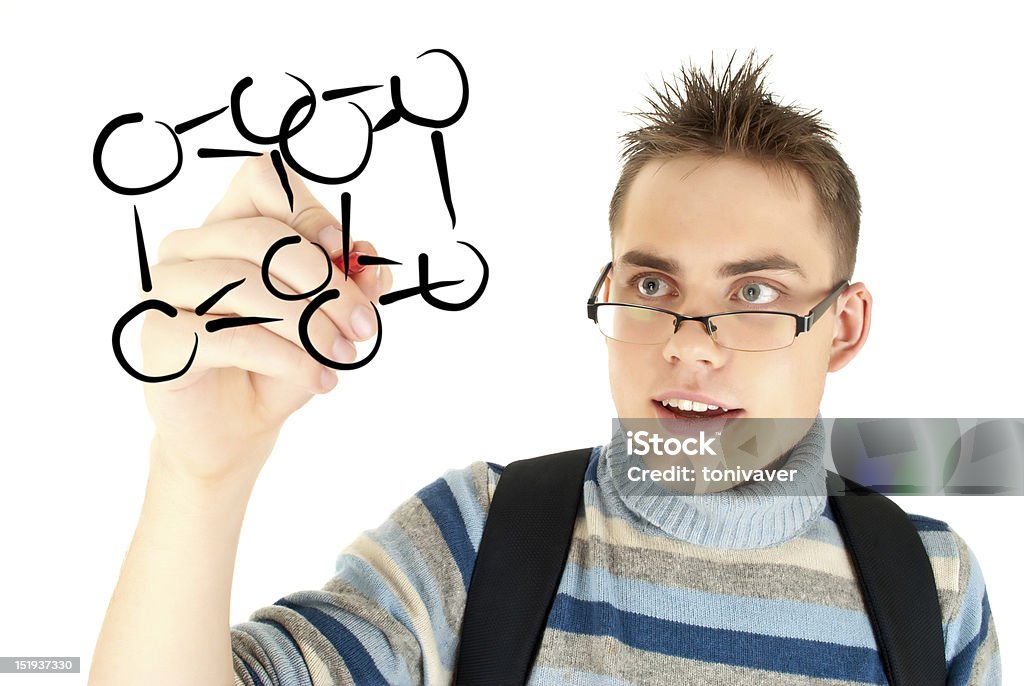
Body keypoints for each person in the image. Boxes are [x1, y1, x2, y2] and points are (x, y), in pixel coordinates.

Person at [88, 54, 1000, 685]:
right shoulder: (480, 538)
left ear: (844, 327)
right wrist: (200, 471)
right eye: (651, 281)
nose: (690, 341)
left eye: (755, 294)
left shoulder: (930, 584)